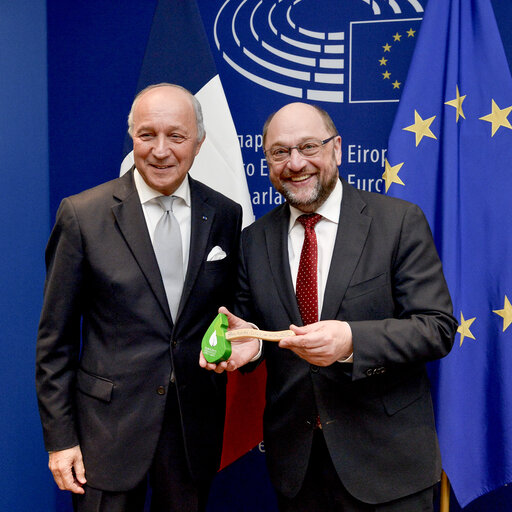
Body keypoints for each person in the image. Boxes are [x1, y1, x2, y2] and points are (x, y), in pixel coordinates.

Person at [201, 102, 457, 511]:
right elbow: (257, 332)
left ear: (336, 149)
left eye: (308, 147)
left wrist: (353, 340)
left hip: (388, 469)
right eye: (279, 152)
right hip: (298, 470)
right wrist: (248, 346)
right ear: (267, 160)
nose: (295, 163)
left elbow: (437, 328)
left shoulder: (398, 222)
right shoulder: (253, 241)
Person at [36, 83, 242, 512]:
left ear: (199, 143)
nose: (161, 150)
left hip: (191, 431)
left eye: (177, 136)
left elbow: (230, 312)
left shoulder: (225, 214)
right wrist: (61, 441)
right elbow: (54, 343)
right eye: (147, 135)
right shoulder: (83, 215)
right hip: (105, 435)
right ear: (132, 138)